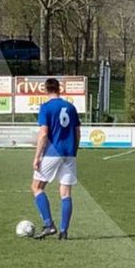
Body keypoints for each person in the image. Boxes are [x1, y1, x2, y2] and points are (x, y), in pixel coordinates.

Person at [30, 78, 82, 240]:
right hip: (69, 152)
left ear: (45, 90)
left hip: (53, 153)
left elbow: (44, 134)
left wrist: (37, 156)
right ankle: (64, 232)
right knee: (65, 193)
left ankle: (48, 224)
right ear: (59, 89)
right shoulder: (71, 107)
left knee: (37, 187)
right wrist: (74, 150)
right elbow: (77, 131)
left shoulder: (46, 107)